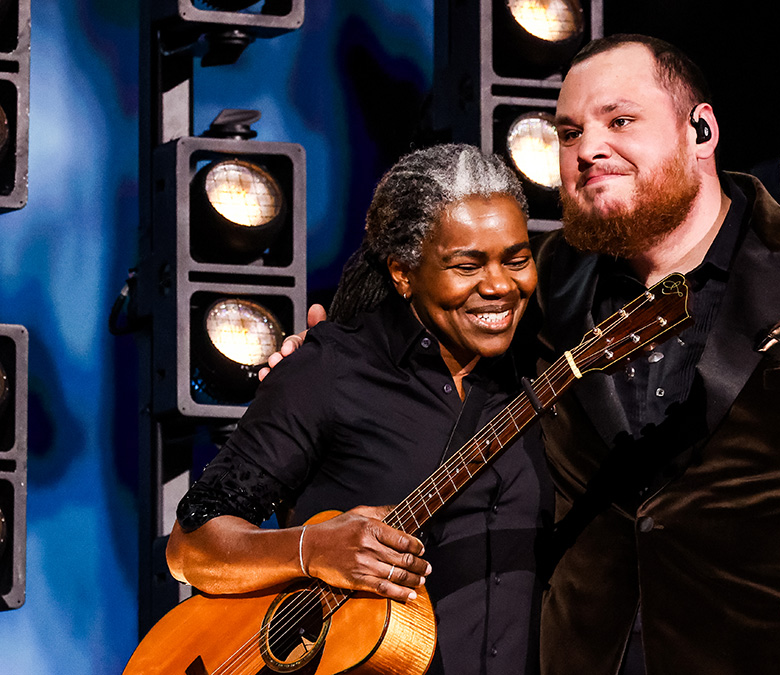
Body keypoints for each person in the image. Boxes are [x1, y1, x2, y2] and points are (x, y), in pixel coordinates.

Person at [269, 35, 780, 675]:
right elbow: (413, 369)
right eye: (568, 133)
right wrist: (318, 370)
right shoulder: (540, 290)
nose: (587, 149)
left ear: (700, 131)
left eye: (618, 121)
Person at [166, 144, 550, 675]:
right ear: (403, 273)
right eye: (467, 264)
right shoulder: (330, 370)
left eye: (517, 258)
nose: (500, 286)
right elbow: (192, 545)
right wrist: (309, 548)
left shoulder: (544, 375)